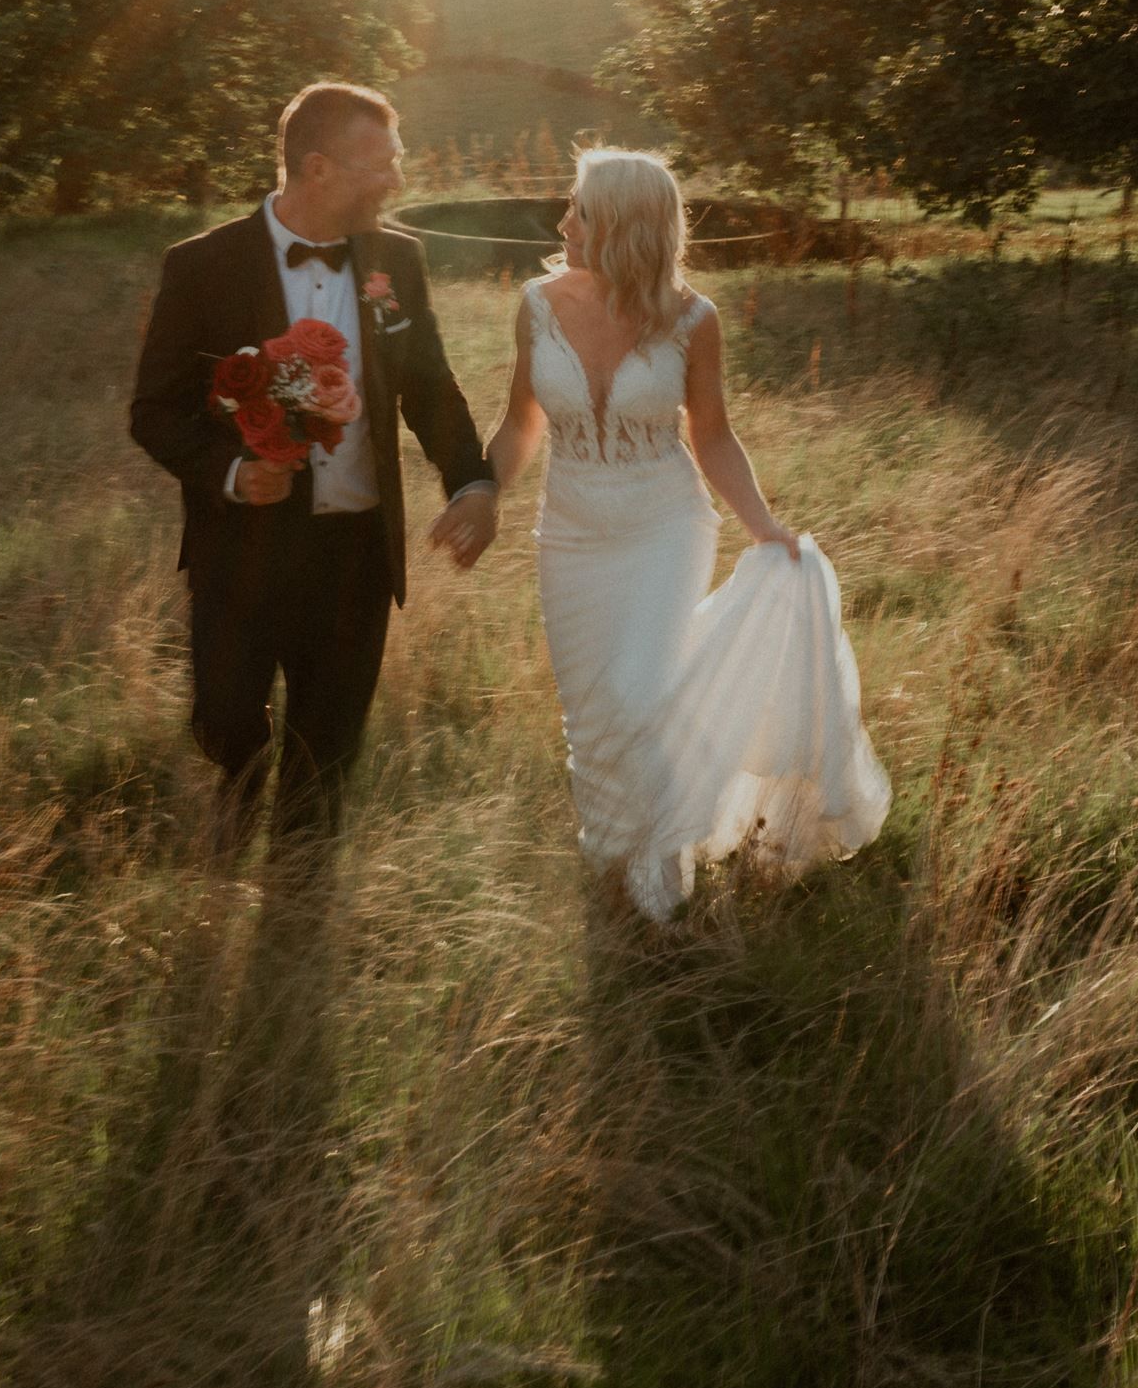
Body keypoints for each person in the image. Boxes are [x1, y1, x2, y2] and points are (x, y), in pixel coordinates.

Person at [454, 146, 889, 922]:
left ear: (623, 226)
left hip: (664, 527)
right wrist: (484, 491)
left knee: (638, 691)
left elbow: (712, 436)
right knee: (590, 711)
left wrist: (764, 527)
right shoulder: (536, 303)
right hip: (571, 537)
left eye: (578, 209)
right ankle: (611, 855)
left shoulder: (694, 320)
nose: (561, 221)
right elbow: (519, 422)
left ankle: (660, 874)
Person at [131, 81, 497, 854]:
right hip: (243, 544)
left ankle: (297, 897)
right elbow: (154, 411)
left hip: (355, 549)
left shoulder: (397, 259)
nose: (396, 181)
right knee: (226, 720)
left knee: (325, 751)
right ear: (318, 167)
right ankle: (236, 786)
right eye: (381, 164)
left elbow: (428, 387)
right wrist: (232, 471)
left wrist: (471, 481)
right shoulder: (203, 266)